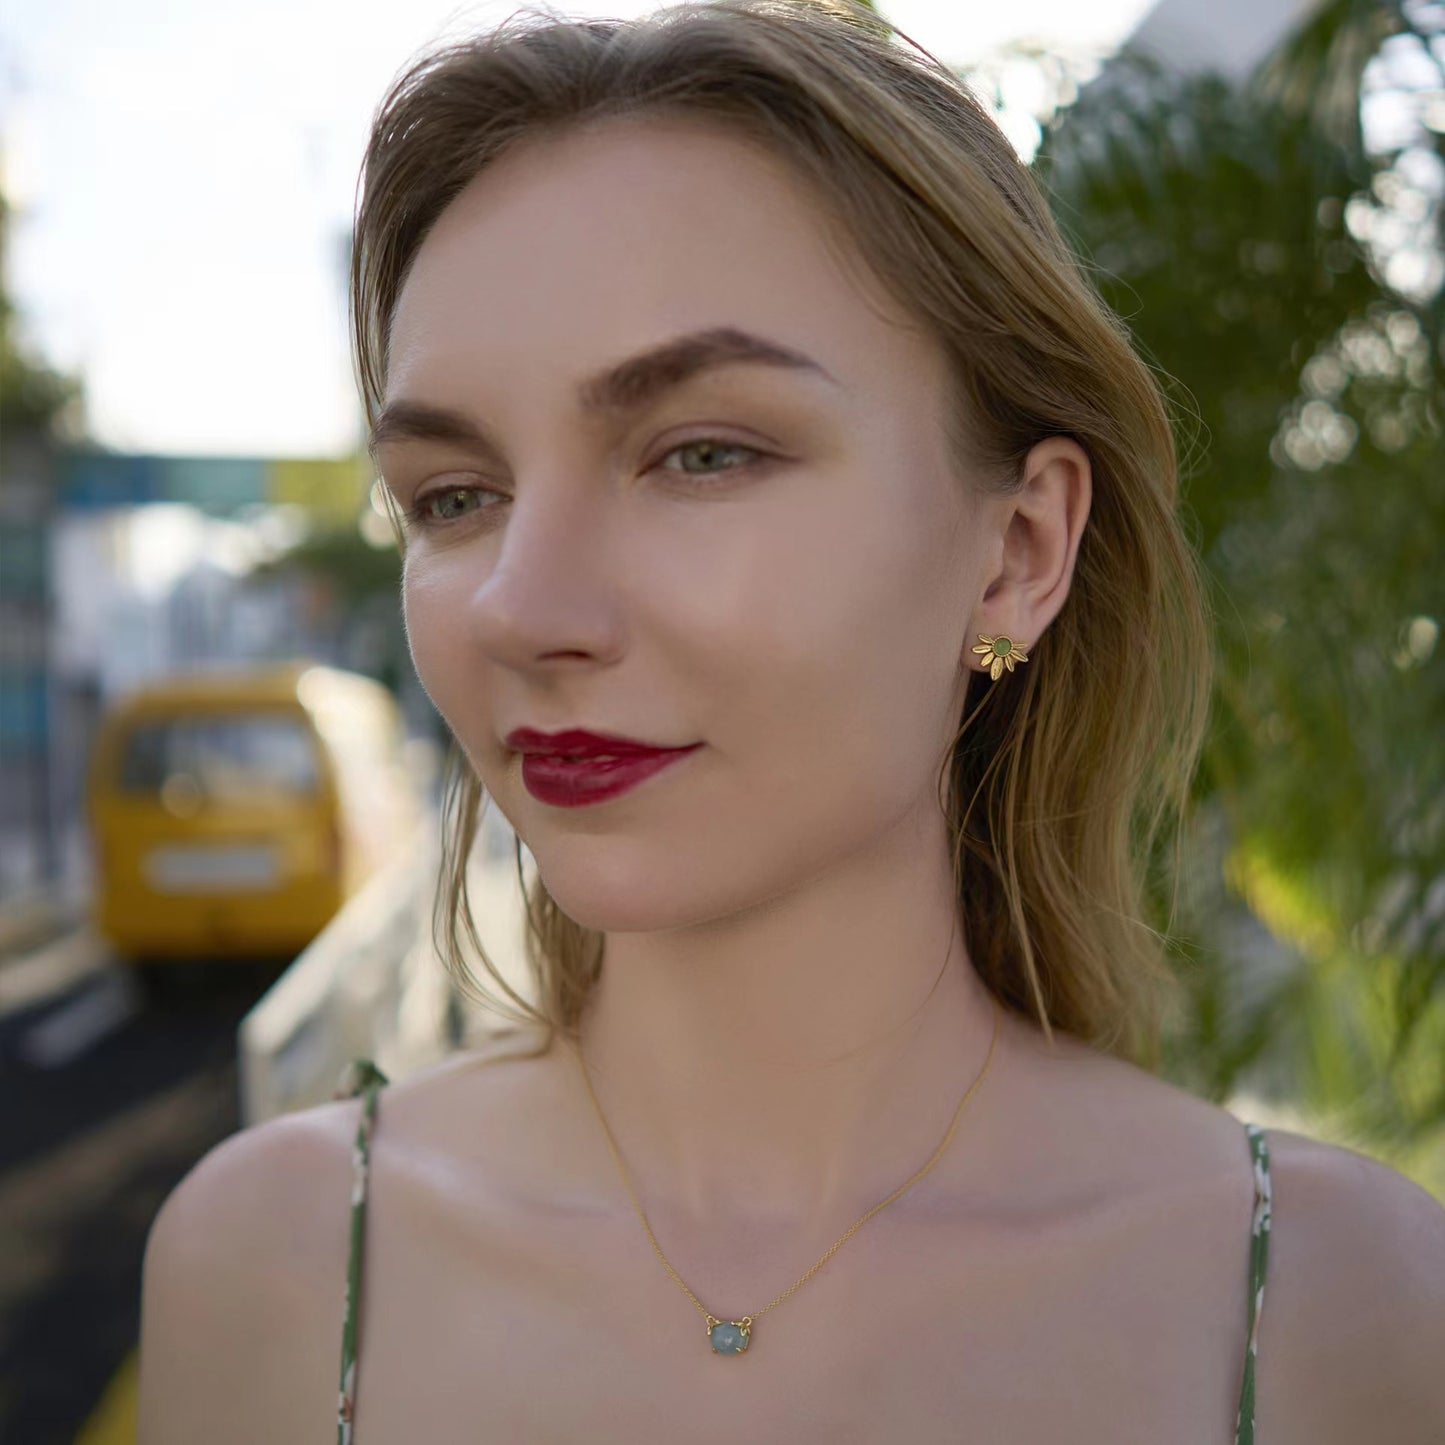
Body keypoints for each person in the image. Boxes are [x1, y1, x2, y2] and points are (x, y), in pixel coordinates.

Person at [136, 2, 1445, 1441]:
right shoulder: (277, 1261)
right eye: (455, 494)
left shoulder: (1335, 1303)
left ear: (1015, 552)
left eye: (701, 453)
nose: (521, 603)